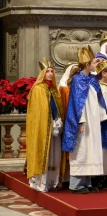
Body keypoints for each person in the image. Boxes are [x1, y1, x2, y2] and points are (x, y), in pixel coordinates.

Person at [62, 46, 107, 194]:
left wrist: (102, 118)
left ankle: (87, 182)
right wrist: (80, 121)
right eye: (95, 62)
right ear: (88, 64)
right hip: (83, 121)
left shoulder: (92, 80)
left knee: (91, 150)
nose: (97, 64)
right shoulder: (77, 80)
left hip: (94, 120)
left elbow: (98, 99)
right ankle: (76, 184)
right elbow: (76, 102)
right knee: (81, 150)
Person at [26, 58, 64, 192]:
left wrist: (58, 120)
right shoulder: (37, 89)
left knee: (54, 155)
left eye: (51, 71)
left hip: (55, 128)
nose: (50, 74)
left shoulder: (54, 90)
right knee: (45, 154)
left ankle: (52, 181)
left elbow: (57, 108)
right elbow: (38, 112)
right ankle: (41, 182)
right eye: (47, 71)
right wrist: (48, 123)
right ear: (42, 73)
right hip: (43, 129)